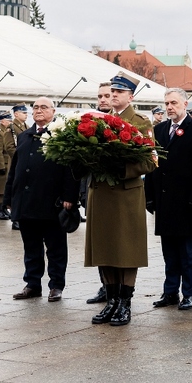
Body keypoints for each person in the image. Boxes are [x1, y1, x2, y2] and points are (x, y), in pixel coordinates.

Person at [85, 73, 155, 327]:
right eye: (112, 90)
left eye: (119, 91)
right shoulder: (96, 120)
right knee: (104, 248)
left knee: (126, 250)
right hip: (101, 192)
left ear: (130, 96)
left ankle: (125, 302)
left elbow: (151, 160)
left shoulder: (140, 121)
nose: (113, 95)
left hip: (126, 193)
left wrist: (121, 170)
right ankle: (111, 300)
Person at [6, 97, 79, 302]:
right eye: (35, 107)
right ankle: (32, 284)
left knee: (55, 247)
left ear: (53, 111)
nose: (39, 110)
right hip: (26, 200)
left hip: (51, 201)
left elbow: (70, 168)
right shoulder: (24, 136)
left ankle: (56, 285)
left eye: (43, 107)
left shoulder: (61, 135)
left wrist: (69, 196)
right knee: (31, 246)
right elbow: (15, 169)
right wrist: (9, 197)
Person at [146, 88, 192, 310]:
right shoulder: (159, 130)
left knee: (187, 253)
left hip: (187, 202)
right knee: (169, 253)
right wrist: (150, 197)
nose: (169, 107)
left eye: (173, 102)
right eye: (166, 103)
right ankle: (170, 292)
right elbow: (152, 164)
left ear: (185, 104)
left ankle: (189, 294)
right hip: (165, 201)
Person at [85, 81, 113, 305]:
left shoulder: (120, 123)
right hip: (94, 189)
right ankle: (104, 285)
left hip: (115, 192)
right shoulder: (89, 122)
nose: (103, 99)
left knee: (114, 243)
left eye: (107, 95)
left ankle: (115, 289)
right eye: (100, 96)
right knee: (99, 243)